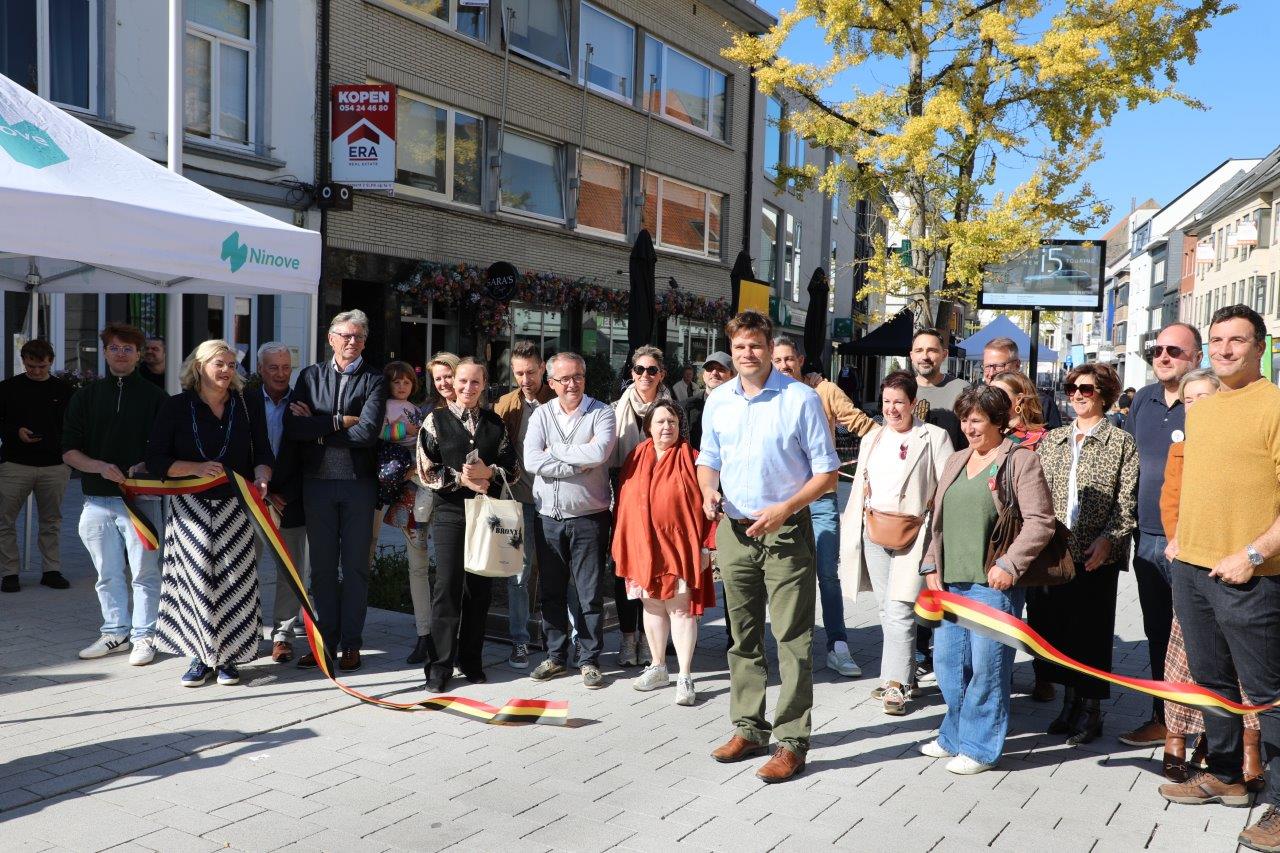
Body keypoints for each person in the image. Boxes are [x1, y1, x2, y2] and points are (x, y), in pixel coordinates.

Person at [1158, 306, 1280, 852]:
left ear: (1260, 346)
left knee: (1268, 694)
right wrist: (1182, 540)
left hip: (1249, 574)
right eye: (1217, 341)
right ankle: (1227, 774)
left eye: (1237, 340)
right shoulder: (1204, 410)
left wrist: (1253, 554)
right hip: (1193, 570)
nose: (1225, 350)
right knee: (1211, 680)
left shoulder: (1273, 406)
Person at [698, 310, 839, 783]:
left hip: (785, 531)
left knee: (792, 639)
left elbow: (827, 473)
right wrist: (707, 490)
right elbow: (708, 459)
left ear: (769, 347)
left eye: (755, 345)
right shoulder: (719, 400)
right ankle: (749, 728)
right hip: (734, 530)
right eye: (739, 346)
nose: (747, 354)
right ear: (731, 349)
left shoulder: (799, 399)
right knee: (742, 636)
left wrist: (785, 509)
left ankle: (792, 741)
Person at [919, 385, 1056, 774]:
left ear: (998, 421)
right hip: (951, 582)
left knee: (987, 669)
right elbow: (938, 521)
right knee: (948, 666)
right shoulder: (957, 459)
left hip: (993, 585)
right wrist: (931, 565)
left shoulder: (1020, 460)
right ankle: (954, 735)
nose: (969, 427)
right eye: (964, 419)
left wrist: (1010, 565)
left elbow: (1041, 521)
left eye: (977, 420)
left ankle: (980, 748)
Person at [146, 340, 273, 687]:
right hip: (190, 506)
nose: (227, 370)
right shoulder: (176, 406)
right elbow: (156, 459)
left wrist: (262, 476)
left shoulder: (247, 405)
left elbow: (263, 451)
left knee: (235, 579)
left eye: (231, 365)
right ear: (200, 366)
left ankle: (230, 656)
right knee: (196, 579)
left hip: (236, 505)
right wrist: (194, 467)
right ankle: (200, 656)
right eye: (220, 363)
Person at [1156, 368, 1261, 786]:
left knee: (1242, 664)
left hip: (1238, 562)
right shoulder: (1181, 449)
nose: (1197, 404)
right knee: (1186, 661)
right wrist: (1176, 539)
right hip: (1192, 562)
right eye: (1189, 399)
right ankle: (1178, 737)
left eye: (1205, 396)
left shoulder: (1239, 440)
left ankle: (1247, 746)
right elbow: (1171, 502)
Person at [1034, 362, 1137, 745]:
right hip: (1056, 552)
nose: (1077, 394)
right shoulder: (1054, 439)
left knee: (1091, 633)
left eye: (1087, 389)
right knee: (1059, 629)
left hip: (1096, 553)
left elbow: (1127, 501)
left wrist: (1109, 539)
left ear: (1105, 394)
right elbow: (1038, 494)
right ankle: (1070, 702)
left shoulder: (1121, 442)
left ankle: (1091, 709)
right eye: (1072, 388)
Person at [838, 370, 952, 716]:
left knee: (901, 608)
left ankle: (895, 684)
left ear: (913, 403)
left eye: (899, 402)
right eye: (886, 401)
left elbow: (945, 491)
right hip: (874, 532)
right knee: (887, 609)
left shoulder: (934, 437)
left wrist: (936, 538)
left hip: (914, 534)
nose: (891, 408)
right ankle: (905, 675)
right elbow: (859, 486)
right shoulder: (872, 438)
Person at [1116, 322, 1203, 750]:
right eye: (1158, 350)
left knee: (1196, 637)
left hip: (1190, 538)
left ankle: (1205, 732)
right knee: (1157, 630)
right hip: (1146, 534)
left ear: (1196, 358)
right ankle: (1163, 719)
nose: (1163, 356)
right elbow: (1130, 461)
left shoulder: (1204, 400)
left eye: (1175, 351)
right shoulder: (1144, 399)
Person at [285, 309, 387, 672]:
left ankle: (352, 643)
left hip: (359, 485)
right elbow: (293, 428)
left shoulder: (375, 379)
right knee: (322, 570)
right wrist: (339, 422)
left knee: (356, 567)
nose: (352, 341)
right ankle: (325, 641)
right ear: (331, 339)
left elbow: (368, 433)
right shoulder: (310, 376)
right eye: (345, 335)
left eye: (358, 336)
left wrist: (317, 429)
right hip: (317, 485)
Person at [64, 323, 168, 664]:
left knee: (145, 573)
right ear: (105, 352)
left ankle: (144, 636)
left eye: (128, 349)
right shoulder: (85, 396)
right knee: (106, 574)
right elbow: (69, 451)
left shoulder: (156, 398)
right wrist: (98, 466)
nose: (120, 354)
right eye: (114, 348)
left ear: (139, 355)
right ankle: (115, 632)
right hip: (96, 499)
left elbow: (168, 448)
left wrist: (146, 464)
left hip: (142, 501)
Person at [773, 335, 875, 677]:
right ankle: (794, 648)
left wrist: (894, 452)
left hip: (820, 499)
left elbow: (863, 425)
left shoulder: (824, 391)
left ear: (801, 361)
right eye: (777, 360)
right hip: (783, 503)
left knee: (827, 574)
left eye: (789, 359)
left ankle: (837, 644)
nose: (784, 366)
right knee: (788, 577)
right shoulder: (767, 396)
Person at [416, 358, 518, 693]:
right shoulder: (435, 421)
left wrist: (490, 473)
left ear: (484, 384)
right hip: (450, 513)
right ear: (453, 381)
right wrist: (461, 478)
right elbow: (426, 470)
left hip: (486, 514)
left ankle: (471, 660)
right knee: (447, 587)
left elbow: (513, 468)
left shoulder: (494, 423)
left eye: (475, 382)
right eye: (462, 381)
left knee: (479, 589)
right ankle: (439, 666)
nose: (467, 388)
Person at [525, 351, 618, 689]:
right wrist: (578, 464)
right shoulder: (541, 414)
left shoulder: (602, 413)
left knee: (589, 593)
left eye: (577, 376)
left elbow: (599, 453)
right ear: (551, 383)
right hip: (548, 518)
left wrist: (554, 452)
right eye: (564, 378)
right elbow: (531, 460)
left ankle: (589, 659)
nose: (572, 384)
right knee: (551, 591)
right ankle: (555, 656)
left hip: (589, 518)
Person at [613, 399, 713, 705]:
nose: (666, 427)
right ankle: (657, 666)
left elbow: (710, 504)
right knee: (652, 606)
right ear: (648, 426)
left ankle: (684, 675)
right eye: (660, 421)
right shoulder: (635, 456)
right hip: (643, 547)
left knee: (680, 609)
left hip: (680, 548)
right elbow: (623, 500)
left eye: (672, 421)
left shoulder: (693, 458)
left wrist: (707, 546)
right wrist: (623, 542)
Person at [493, 341, 556, 669]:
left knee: (557, 572)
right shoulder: (506, 404)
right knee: (519, 573)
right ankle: (519, 640)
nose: (525, 379)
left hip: (555, 502)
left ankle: (556, 638)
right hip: (518, 501)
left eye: (531, 372)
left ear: (543, 368)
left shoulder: (558, 400)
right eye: (519, 373)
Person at [611, 344, 672, 667]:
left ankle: (651, 639)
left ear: (661, 374)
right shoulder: (616, 408)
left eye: (652, 370)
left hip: (661, 502)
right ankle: (628, 638)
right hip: (624, 500)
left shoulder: (671, 411)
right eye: (639, 369)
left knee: (656, 569)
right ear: (632, 373)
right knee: (625, 569)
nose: (645, 375)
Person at [372, 360, 433, 664]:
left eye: (406, 382)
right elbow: (380, 432)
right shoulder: (387, 406)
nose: (401, 386)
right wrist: (404, 431)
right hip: (407, 473)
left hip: (425, 480)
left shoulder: (417, 408)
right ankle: (425, 633)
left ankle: (436, 631)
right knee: (417, 562)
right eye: (396, 382)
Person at [0, 339, 73, 592]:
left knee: (51, 520)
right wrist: (15, 431)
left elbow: (74, 425)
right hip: (14, 463)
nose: (36, 371)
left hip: (54, 465)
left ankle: (51, 570)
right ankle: (9, 572)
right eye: (31, 366)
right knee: (4, 520)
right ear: (23, 361)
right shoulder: (8, 388)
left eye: (42, 366)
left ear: (51, 362)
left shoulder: (64, 390)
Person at [255, 342, 309, 664]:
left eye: (286, 367)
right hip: (252, 497)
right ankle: (248, 631)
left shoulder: (304, 403)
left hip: (291, 500)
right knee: (245, 568)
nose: (280, 374)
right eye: (273, 367)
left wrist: (286, 492)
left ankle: (283, 636)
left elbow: (310, 453)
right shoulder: (245, 401)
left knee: (291, 571)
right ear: (260, 369)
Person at [981, 337, 1063, 429]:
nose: (991, 372)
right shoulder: (977, 401)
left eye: (999, 366)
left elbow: (1055, 436)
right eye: (987, 366)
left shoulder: (1042, 404)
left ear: (1017, 365)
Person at [909, 328, 967, 451]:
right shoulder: (900, 390)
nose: (925, 356)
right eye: (919, 350)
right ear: (912, 356)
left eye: (932, 350)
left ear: (944, 355)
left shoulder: (962, 390)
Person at [683, 352, 733, 450]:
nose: (714, 373)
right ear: (703, 375)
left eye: (721, 369)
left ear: (732, 375)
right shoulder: (686, 407)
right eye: (710, 368)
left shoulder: (740, 408)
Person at [990, 371, 1049, 451]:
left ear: (1019, 399)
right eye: (989, 393)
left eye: (998, 394)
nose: (991, 398)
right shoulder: (985, 431)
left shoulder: (1042, 438)